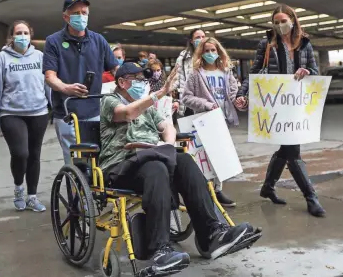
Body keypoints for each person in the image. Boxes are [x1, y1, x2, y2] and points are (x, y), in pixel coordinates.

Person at [99, 62, 255, 275]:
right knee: (156, 168)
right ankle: (160, 249)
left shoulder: (147, 110)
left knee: (184, 161)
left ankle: (211, 234)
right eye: (137, 80)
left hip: (152, 157)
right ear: (122, 82)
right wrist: (160, 93)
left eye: (143, 80)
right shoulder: (110, 101)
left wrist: (167, 145)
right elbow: (126, 114)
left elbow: (167, 126)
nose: (142, 84)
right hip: (121, 164)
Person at [234, 4, 325, 217]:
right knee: (293, 151)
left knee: (288, 148)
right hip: (276, 102)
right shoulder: (267, 44)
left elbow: (315, 71)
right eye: (276, 22)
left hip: (296, 103)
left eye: (283, 21)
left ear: (293, 20)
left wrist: (307, 71)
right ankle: (311, 197)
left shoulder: (305, 43)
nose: (280, 25)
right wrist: (242, 93)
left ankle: (268, 187)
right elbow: (254, 71)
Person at [43, 0, 119, 165]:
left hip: (95, 111)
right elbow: (50, 76)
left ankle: (94, 190)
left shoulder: (98, 40)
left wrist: (129, 79)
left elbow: (115, 69)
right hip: (67, 112)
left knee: (98, 160)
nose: (81, 16)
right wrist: (65, 88)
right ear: (66, 17)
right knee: (75, 162)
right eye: (76, 13)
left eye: (84, 12)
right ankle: (76, 190)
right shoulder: (53, 42)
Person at [0, 20, 49, 212]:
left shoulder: (39, 56)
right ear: (11, 37)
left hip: (39, 112)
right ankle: (19, 187)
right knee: (21, 154)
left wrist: (60, 107)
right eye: (18, 33)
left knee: (35, 155)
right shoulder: (2, 58)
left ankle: (32, 197)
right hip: (11, 114)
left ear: (31, 35)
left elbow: (48, 84)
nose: (22, 37)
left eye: (26, 33)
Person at [182, 37, 239, 208]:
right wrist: (206, 105)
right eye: (206, 51)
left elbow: (234, 93)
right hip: (205, 121)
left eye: (213, 50)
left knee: (221, 157)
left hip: (224, 120)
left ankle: (218, 190)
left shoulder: (226, 72)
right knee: (206, 157)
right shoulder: (196, 74)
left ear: (219, 52)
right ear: (201, 53)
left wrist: (239, 101)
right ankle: (206, 190)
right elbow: (186, 97)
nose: (210, 53)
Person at [174, 28, 206, 117]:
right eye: (198, 37)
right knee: (190, 129)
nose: (201, 39)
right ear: (191, 41)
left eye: (203, 37)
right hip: (189, 102)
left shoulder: (210, 55)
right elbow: (176, 79)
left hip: (208, 101)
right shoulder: (183, 58)